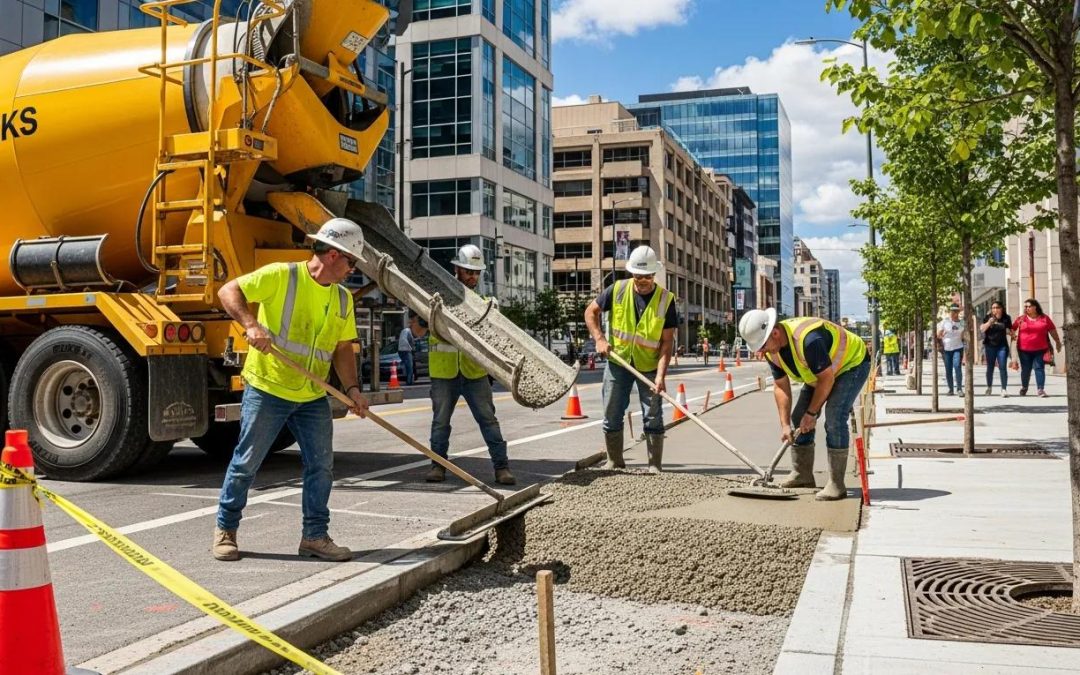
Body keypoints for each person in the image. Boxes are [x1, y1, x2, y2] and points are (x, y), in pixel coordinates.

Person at [213, 218, 370, 562]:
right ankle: (226, 530)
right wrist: (251, 325)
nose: (352, 270)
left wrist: (353, 388)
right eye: (351, 262)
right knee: (247, 463)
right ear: (332, 255)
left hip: (311, 393)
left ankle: (314, 537)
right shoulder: (283, 276)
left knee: (321, 466)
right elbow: (228, 291)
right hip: (269, 387)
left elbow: (343, 347)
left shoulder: (343, 300)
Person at [739, 308, 870, 501]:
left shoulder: (808, 340)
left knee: (834, 417)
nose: (762, 351)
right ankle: (803, 475)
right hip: (820, 374)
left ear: (775, 332)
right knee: (797, 418)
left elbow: (826, 380)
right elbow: (781, 386)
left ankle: (836, 484)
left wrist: (812, 412)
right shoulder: (771, 351)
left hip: (851, 364)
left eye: (762, 346)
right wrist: (785, 424)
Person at [584, 245, 677, 474]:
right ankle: (615, 462)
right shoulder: (616, 290)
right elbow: (590, 312)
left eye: (646, 276)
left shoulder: (666, 300)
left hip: (649, 365)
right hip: (618, 362)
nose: (642, 280)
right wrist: (600, 339)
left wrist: (660, 376)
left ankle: (654, 465)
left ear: (654, 274)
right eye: (638, 275)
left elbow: (667, 342)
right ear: (632, 272)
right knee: (611, 411)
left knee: (653, 414)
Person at [427, 244, 514, 485]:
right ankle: (438, 466)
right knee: (440, 422)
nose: (472, 276)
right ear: (456, 269)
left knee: (488, 420)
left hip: (475, 372)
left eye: (476, 272)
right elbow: (419, 327)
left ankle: (502, 468)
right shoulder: (438, 298)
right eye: (468, 271)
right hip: (444, 372)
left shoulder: (486, 303)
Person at [1011, 298, 1062, 397]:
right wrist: (1012, 334)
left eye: (1029, 306)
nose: (1027, 308)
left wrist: (1057, 342)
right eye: (1025, 306)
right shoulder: (1021, 319)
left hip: (1040, 349)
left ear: (1035, 307)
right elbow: (1012, 329)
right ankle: (1024, 387)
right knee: (1026, 370)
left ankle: (1040, 389)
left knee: (1039, 368)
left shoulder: (1044, 318)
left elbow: (1052, 330)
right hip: (1024, 349)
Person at [980, 301, 1013, 397]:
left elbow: (1009, 330)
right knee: (990, 368)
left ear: (1001, 308)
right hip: (989, 345)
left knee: (1002, 367)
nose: (995, 309)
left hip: (1002, 346)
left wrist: (1011, 333)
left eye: (997, 307)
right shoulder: (988, 317)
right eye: (993, 308)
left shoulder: (1006, 318)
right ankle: (989, 387)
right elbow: (982, 329)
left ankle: (1004, 389)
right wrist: (990, 322)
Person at [937, 304, 966, 396]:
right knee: (948, 369)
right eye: (952, 311)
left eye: (956, 311)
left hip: (958, 347)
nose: (954, 313)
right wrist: (942, 333)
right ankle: (950, 389)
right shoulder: (945, 322)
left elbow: (965, 335)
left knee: (957, 366)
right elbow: (938, 335)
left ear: (958, 312)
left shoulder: (962, 323)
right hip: (946, 349)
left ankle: (959, 389)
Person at [397, 317, 416, 386]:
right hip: (406, 350)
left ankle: (409, 380)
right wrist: (410, 348)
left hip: (402, 350)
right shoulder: (407, 331)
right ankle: (409, 381)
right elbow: (404, 340)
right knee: (409, 367)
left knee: (407, 366)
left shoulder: (405, 331)